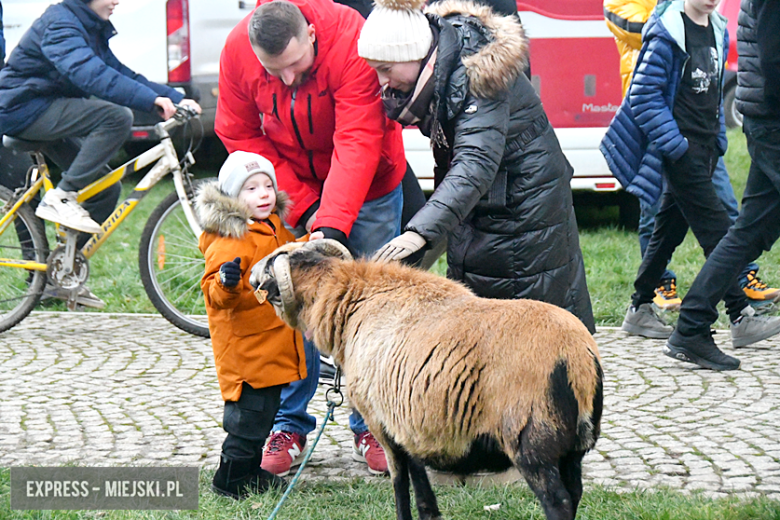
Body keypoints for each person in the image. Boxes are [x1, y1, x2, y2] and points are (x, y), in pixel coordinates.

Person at [215, 0, 407, 476]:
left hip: (371, 189)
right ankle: (289, 422)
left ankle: (373, 422)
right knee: (290, 305)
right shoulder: (238, 48)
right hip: (292, 185)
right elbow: (239, 133)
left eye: (295, 66)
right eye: (272, 71)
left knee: (372, 309)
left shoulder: (350, 39)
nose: (284, 80)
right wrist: (298, 204)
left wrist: (332, 223)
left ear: (312, 38)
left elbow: (359, 137)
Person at [358, 0, 596, 333]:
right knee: (486, 316)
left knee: (529, 321)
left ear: (414, 53)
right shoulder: (439, 66)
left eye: (386, 68)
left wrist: (420, 232)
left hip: (524, 201)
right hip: (491, 200)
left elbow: (476, 163)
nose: (382, 81)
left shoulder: (475, 72)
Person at [600, 0, 780, 369]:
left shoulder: (716, 27)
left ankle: (639, 305)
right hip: (680, 154)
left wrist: (717, 140)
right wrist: (678, 149)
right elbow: (644, 96)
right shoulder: (666, 30)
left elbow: (713, 95)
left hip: (704, 151)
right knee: (721, 230)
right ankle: (736, 315)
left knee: (668, 230)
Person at [0, 0, 201, 308]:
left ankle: (59, 277)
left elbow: (118, 72)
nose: (117, 1)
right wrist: (150, 102)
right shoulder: (62, 25)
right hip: (22, 110)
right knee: (116, 117)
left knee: (107, 189)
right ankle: (61, 196)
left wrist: (174, 96)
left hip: (43, 107)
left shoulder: (85, 25)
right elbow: (91, 75)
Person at [666, 0, 780, 370]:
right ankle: (691, 326)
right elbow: (774, 62)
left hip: (768, 121)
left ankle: (691, 326)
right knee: (746, 232)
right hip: (773, 124)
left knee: (748, 233)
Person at [197, 151, 307, 498]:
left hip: (270, 348)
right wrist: (226, 283)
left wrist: (308, 245)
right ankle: (228, 479)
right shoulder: (231, 239)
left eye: (268, 185)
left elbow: (285, 256)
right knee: (246, 420)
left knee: (265, 414)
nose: (264, 194)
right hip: (247, 353)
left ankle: (250, 472)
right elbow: (214, 295)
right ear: (232, 198)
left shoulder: (274, 227)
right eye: (251, 188)